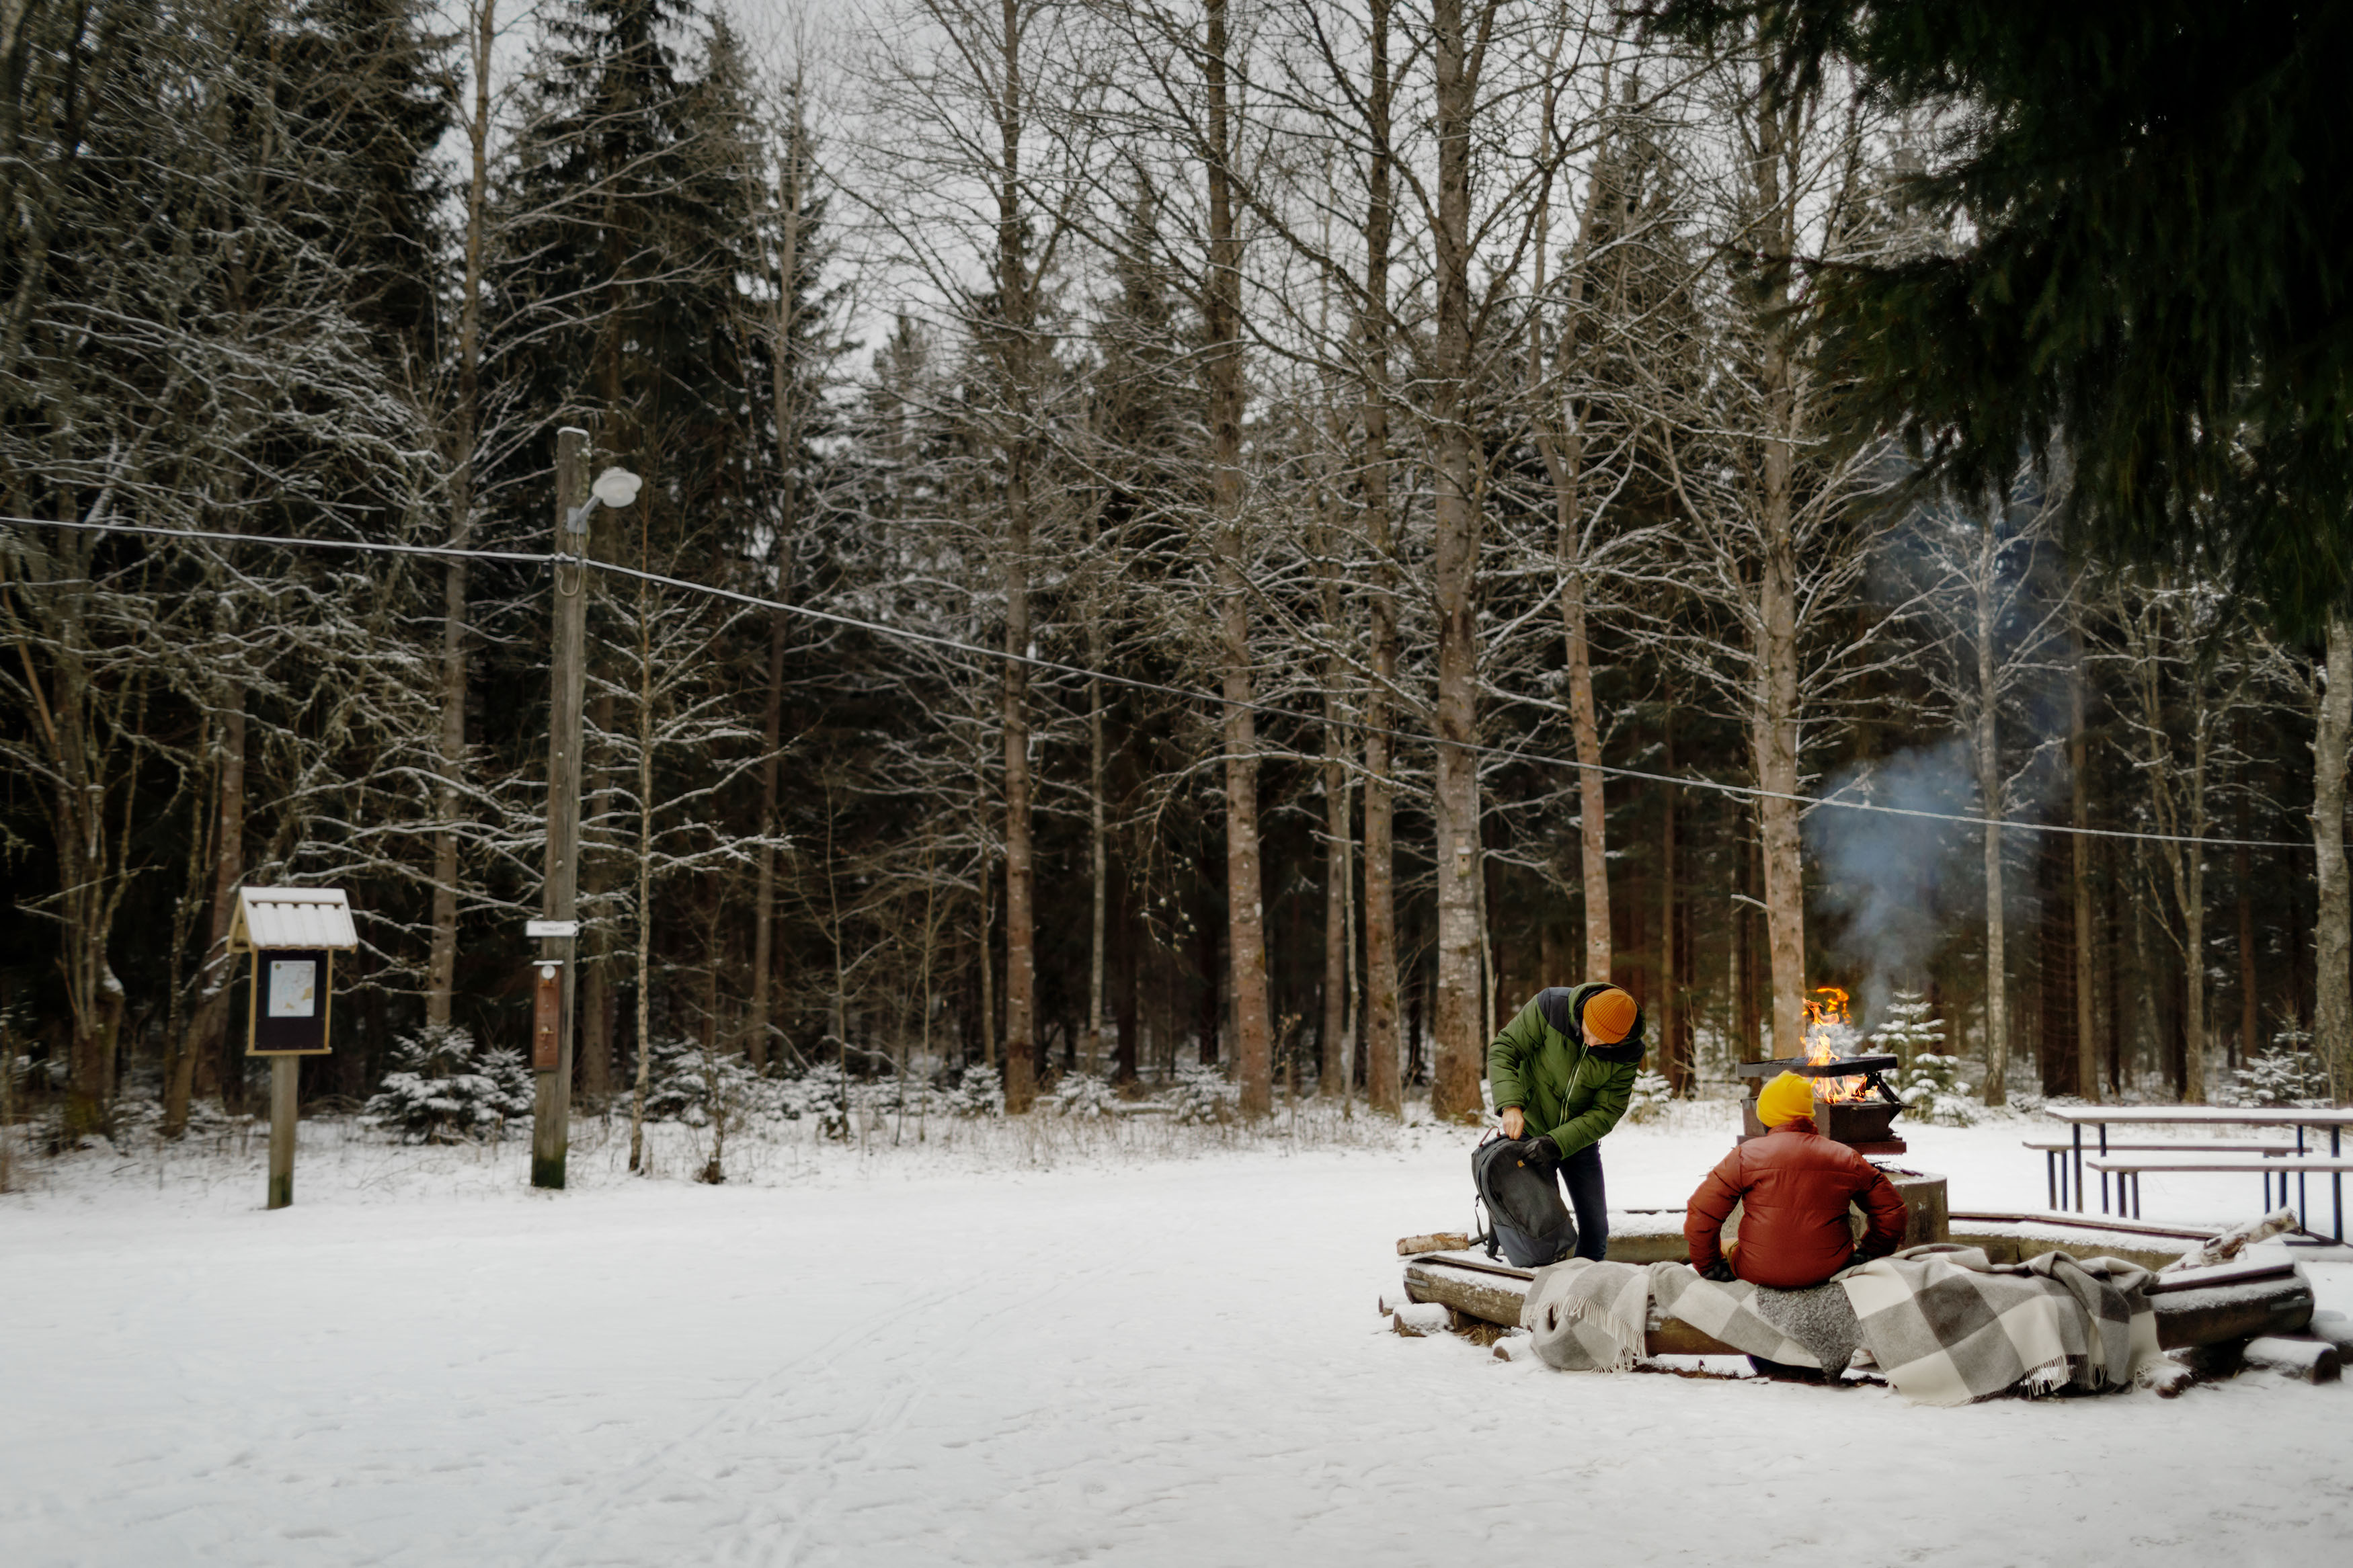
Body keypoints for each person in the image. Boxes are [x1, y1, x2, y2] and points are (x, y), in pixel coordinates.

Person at [1685, 1071, 1908, 1290]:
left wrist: (1709, 1266)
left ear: (1765, 1116)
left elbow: (1701, 1214)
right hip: (1832, 1270)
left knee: (1727, 1245)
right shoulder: (1845, 1156)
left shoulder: (1745, 1156)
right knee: (1848, 1247)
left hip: (1757, 1272)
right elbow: (1891, 1211)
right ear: (1807, 1113)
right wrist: (1869, 1253)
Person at [1486, 983, 1647, 1264]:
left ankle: (1584, 1294)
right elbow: (1504, 1050)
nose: (1595, 1043)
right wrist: (1511, 1104)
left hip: (1577, 1142)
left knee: (1596, 1232)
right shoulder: (1550, 1007)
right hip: (1528, 1133)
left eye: (1606, 1041)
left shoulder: (1627, 1051)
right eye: (1592, 1032)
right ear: (1583, 1013)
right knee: (1541, 1230)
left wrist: (1557, 1143)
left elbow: (1607, 1111)